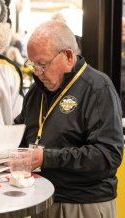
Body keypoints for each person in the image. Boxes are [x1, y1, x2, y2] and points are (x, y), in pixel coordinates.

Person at [15, 20, 123, 217]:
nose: (37, 73)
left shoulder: (98, 88)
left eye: (42, 64)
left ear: (68, 56)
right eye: (32, 64)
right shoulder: (36, 91)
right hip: (41, 199)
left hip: (83, 203)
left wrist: (46, 158)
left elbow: (108, 155)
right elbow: (22, 131)